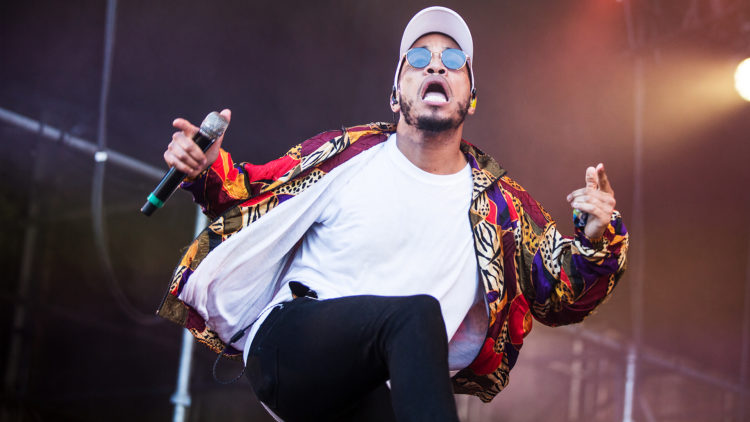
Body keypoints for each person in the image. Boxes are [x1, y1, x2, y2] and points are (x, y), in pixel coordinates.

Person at [157, 6, 628, 422]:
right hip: (290, 348)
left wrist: (597, 236)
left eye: (454, 60)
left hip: (370, 393)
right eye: (419, 58)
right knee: (416, 315)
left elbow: (562, 296)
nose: (437, 65)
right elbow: (250, 194)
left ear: (472, 96)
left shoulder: (501, 207)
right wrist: (204, 169)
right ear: (395, 93)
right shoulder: (345, 156)